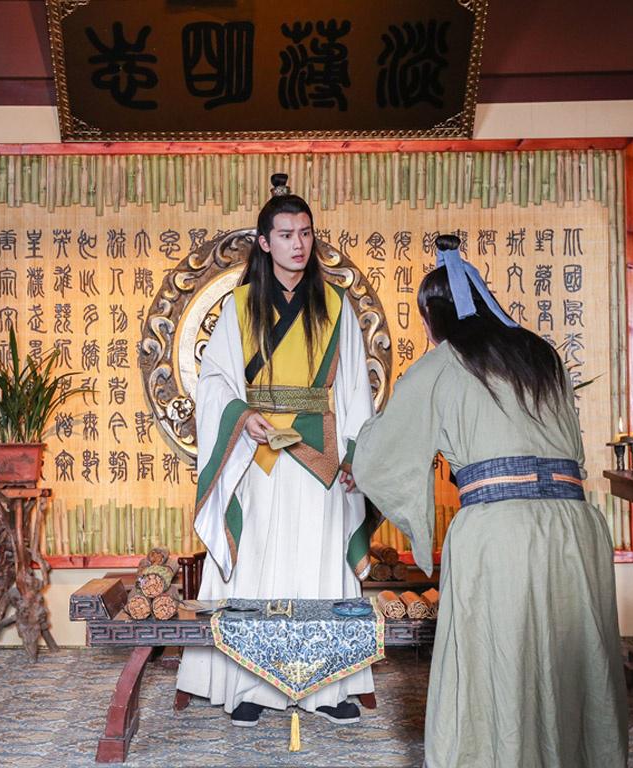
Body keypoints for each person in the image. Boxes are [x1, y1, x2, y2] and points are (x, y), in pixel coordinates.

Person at [351, 234, 628, 767]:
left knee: (500, 661)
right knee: (568, 660)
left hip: (499, 533)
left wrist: (363, 467)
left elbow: (379, 456)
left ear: (433, 318)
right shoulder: (541, 355)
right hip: (575, 528)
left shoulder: (443, 363)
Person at [176, 174, 376, 727]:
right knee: (259, 567)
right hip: (259, 453)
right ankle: (252, 685)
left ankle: (328, 687)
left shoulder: (335, 304)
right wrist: (243, 417)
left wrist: (356, 457)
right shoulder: (240, 305)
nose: (298, 244)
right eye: (286, 234)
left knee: (319, 566)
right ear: (264, 242)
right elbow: (215, 382)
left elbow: (355, 390)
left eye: (305, 233)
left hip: (319, 454)